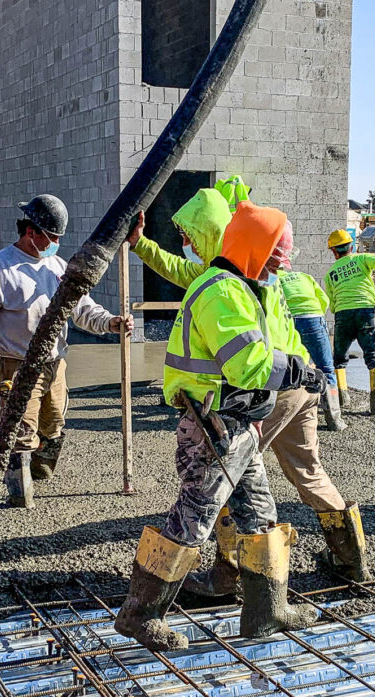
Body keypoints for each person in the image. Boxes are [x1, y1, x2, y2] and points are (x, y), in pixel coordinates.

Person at [129, 190, 372, 594]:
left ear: (211, 235)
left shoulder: (230, 285)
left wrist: (276, 388)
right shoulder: (245, 278)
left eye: (190, 236)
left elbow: (250, 363)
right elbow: (176, 268)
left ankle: (227, 576)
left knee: (222, 487)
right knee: (305, 474)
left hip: (272, 387)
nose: (186, 245)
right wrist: (141, 245)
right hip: (298, 383)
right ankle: (349, 559)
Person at [116, 201, 330, 652]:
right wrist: (301, 371)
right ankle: (140, 614)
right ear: (256, 249)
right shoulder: (221, 292)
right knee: (192, 520)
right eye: (276, 256)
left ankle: (266, 611)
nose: (279, 266)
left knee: (259, 513)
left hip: (239, 426)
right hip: (213, 427)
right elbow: (246, 365)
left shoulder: (243, 288)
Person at [0, 194, 132, 507]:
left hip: (55, 364)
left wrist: (110, 323)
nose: (56, 242)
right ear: (31, 232)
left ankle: (39, 471)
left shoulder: (58, 267)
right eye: (52, 236)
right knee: (20, 429)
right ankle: (19, 492)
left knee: (53, 423)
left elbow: (82, 308)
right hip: (17, 364)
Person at [325, 230, 375, 416]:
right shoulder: (362, 260)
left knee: (339, 359)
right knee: (373, 355)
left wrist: (342, 313)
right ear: (352, 247)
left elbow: (331, 302)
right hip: (366, 312)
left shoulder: (331, 274)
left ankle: (342, 399)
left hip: (343, 315)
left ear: (334, 252)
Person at [280, 266, 347, 431]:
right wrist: (319, 318)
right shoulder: (303, 276)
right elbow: (323, 299)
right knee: (326, 368)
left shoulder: (274, 280)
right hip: (313, 318)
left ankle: (293, 416)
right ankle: (334, 419)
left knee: (294, 369)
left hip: (290, 321)